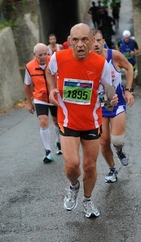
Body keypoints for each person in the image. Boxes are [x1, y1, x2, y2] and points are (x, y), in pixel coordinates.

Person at [46, 23, 118, 218]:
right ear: (69, 41)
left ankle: (87, 200)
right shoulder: (58, 58)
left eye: (84, 39)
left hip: (91, 122)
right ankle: (73, 186)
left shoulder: (100, 64)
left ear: (92, 41)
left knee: (89, 166)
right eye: (75, 40)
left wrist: (112, 100)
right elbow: (49, 71)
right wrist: (52, 88)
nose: (80, 44)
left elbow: (109, 88)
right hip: (68, 120)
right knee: (72, 165)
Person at [92, 29, 134, 183]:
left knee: (117, 140)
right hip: (99, 106)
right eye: (92, 41)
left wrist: (128, 91)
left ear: (104, 41)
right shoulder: (86, 62)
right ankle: (112, 169)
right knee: (103, 141)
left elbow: (129, 68)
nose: (96, 44)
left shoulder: (114, 56)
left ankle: (120, 150)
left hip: (117, 103)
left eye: (99, 40)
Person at [24, 43, 62, 163]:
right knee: (43, 121)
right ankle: (48, 151)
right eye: (40, 55)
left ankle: (58, 142)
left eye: (45, 54)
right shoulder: (29, 67)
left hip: (54, 96)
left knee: (56, 121)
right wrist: (29, 103)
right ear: (34, 55)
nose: (43, 57)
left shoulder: (54, 62)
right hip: (40, 98)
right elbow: (27, 85)